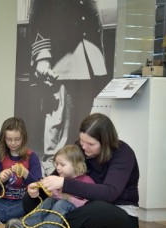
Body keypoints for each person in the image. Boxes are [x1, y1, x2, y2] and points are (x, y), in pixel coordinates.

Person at [8, 113, 139, 228]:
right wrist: (39, 187)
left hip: (119, 215)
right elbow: (58, 175)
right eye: (82, 141)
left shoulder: (123, 153)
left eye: (90, 144)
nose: (84, 147)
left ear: (105, 141)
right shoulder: (80, 149)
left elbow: (109, 193)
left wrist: (64, 184)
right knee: (30, 199)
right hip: (80, 207)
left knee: (98, 208)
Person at [20, 0, 110, 175]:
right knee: (60, 126)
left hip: (89, 57)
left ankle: (76, 178)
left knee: (83, 128)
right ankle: (53, 177)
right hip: (62, 60)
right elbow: (40, 15)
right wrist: (42, 57)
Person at [21, 144, 95, 228]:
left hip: (76, 216)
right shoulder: (60, 180)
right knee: (50, 200)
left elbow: (89, 206)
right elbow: (53, 196)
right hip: (60, 214)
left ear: (77, 165)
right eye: (57, 164)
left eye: (62, 165)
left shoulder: (86, 181)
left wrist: (69, 199)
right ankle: (29, 225)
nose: (58, 168)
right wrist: (41, 188)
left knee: (62, 203)